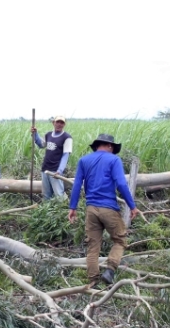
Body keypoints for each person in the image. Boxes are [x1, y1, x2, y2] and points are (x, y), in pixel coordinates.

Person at [68, 134, 140, 287]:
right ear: (109, 146)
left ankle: (93, 281)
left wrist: (72, 207)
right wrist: (132, 206)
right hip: (108, 208)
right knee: (120, 240)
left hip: (91, 209)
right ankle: (110, 269)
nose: (113, 150)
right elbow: (121, 184)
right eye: (113, 147)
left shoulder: (84, 161)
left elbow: (76, 186)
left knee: (93, 245)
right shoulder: (114, 160)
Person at [31, 116, 73, 200]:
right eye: (57, 122)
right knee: (46, 195)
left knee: (59, 195)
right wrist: (35, 134)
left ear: (64, 124)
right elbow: (41, 145)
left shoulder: (67, 137)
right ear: (53, 123)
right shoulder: (48, 135)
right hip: (45, 169)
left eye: (62, 123)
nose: (59, 124)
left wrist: (60, 170)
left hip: (55, 171)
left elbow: (66, 155)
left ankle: (62, 210)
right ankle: (46, 210)